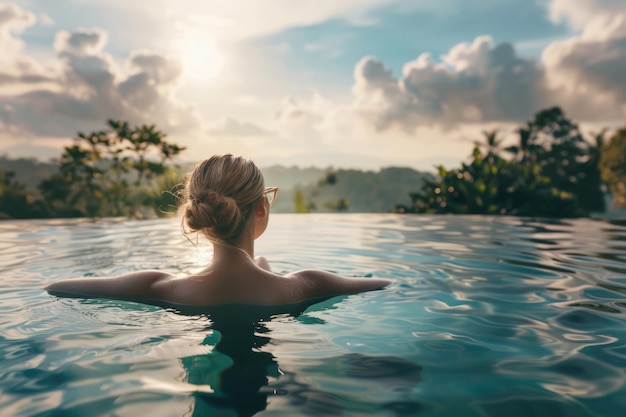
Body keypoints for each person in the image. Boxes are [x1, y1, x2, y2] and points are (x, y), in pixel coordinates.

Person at [45, 154, 391, 308]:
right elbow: (385, 285)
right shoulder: (305, 286)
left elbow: (58, 288)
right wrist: (270, 275)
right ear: (261, 207)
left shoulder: (159, 287)